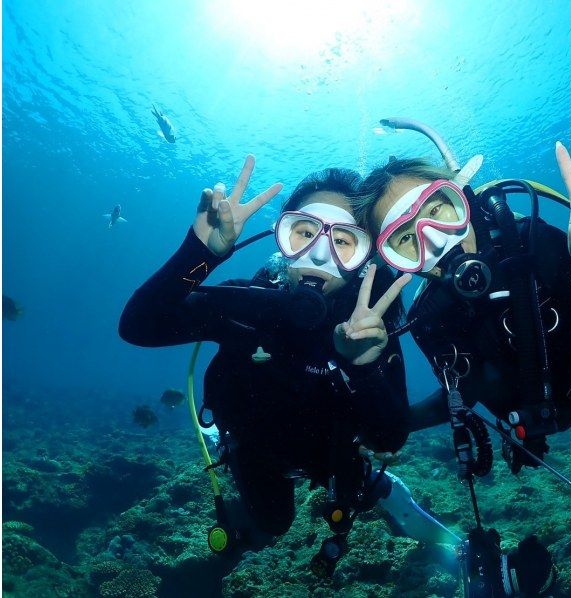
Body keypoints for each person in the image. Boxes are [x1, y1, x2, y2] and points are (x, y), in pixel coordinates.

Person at [354, 132, 571, 596]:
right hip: (536, 418)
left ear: (463, 196)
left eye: (438, 210)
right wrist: (374, 409)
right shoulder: (428, 320)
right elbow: (460, 393)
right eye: (406, 238)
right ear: (396, 261)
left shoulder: (535, 245)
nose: (434, 241)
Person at [119, 156, 458, 575]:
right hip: (258, 451)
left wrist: (364, 366)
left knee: (355, 493)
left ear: (365, 257)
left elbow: (389, 436)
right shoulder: (249, 307)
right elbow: (138, 326)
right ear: (282, 239)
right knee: (272, 525)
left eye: (344, 241)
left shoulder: (370, 327)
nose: (319, 255)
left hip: (335, 455)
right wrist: (199, 253)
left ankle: (382, 489)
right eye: (304, 233)